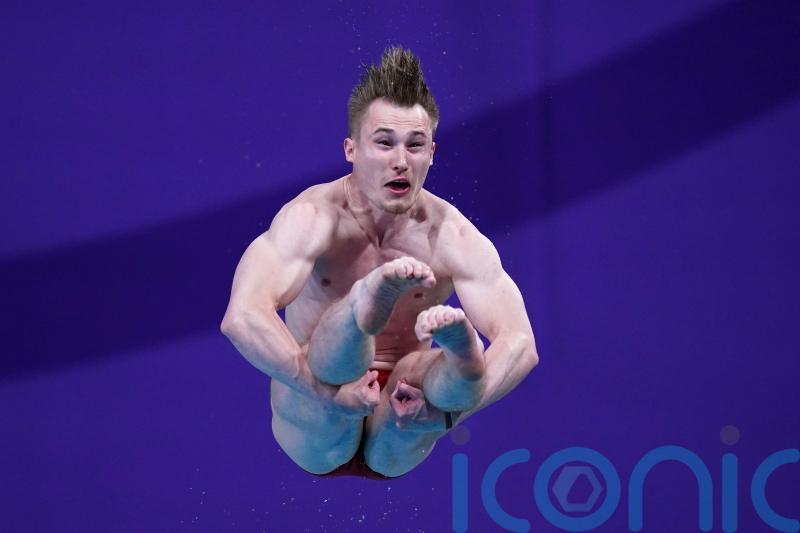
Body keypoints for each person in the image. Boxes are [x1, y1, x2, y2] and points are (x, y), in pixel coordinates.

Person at [221, 47, 538, 478]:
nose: (401, 160)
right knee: (334, 361)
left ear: (432, 154)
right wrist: (322, 392)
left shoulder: (452, 236)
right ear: (351, 150)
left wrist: (446, 417)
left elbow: (520, 343)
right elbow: (242, 316)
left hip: (401, 415)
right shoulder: (312, 218)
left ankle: (459, 358)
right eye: (384, 142)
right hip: (316, 410)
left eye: (415, 145)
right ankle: (359, 308)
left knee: (424, 377)